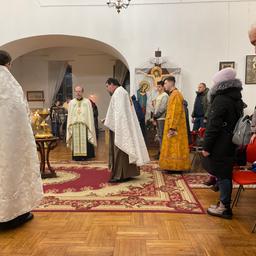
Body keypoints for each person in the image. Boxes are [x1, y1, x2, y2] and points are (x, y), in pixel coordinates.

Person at [0, 50, 43, 229]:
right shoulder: (11, 85)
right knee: (11, 174)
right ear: (8, 64)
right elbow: (23, 113)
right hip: (10, 145)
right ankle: (13, 215)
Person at [202, 68, 243, 219]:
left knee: (222, 174)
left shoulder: (220, 99)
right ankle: (222, 204)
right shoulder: (236, 98)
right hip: (230, 141)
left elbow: (213, 125)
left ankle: (224, 207)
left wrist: (206, 146)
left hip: (220, 143)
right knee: (224, 172)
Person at [104, 78, 150, 183]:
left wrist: (119, 127)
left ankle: (119, 175)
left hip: (120, 127)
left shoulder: (119, 93)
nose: (107, 89)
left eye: (107, 86)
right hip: (123, 125)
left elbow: (120, 113)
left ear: (112, 84)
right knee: (125, 150)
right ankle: (129, 173)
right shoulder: (123, 91)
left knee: (120, 150)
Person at [159, 76, 191, 172]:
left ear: (170, 83)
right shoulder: (173, 94)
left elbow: (175, 112)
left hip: (175, 127)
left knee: (175, 147)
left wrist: (172, 127)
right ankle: (171, 166)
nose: (164, 85)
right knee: (171, 146)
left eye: (165, 83)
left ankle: (176, 167)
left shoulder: (176, 94)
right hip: (172, 124)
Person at [66, 85, 97, 161]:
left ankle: (86, 156)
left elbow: (89, 115)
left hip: (85, 125)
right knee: (75, 141)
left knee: (86, 141)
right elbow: (70, 115)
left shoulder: (87, 102)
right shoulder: (72, 103)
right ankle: (77, 157)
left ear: (82, 92)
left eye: (79, 91)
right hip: (75, 125)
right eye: (76, 91)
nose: (78, 93)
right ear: (75, 92)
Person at [153, 80, 169, 150]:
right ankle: (161, 151)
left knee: (162, 136)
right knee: (159, 136)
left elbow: (163, 108)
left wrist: (155, 116)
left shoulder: (165, 95)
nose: (158, 88)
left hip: (162, 118)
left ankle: (163, 152)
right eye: (157, 87)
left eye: (159, 87)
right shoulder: (159, 96)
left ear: (163, 87)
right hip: (158, 118)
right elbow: (156, 107)